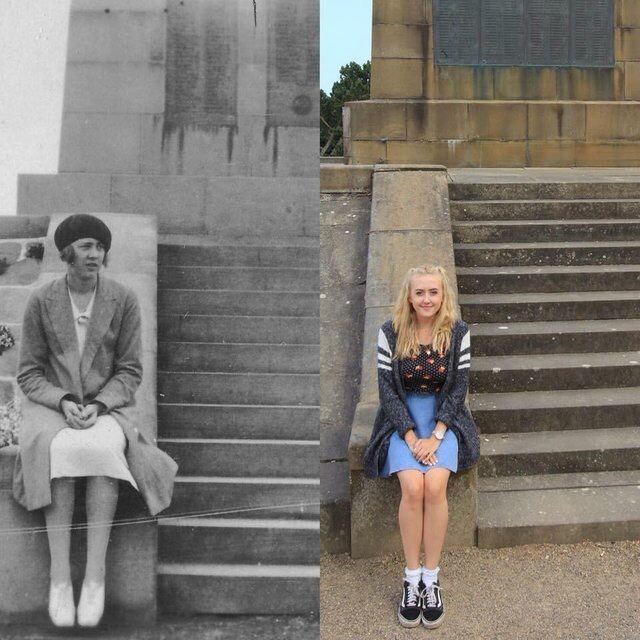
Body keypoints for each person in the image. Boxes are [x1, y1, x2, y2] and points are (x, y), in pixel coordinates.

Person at [13, 214, 178, 628]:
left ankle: (94, 578)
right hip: (53, 407)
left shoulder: (122, 299)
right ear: (67, 253)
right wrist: (64, 399)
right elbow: (29, 373)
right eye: (87, 246)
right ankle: (59, 580)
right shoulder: (41, 300)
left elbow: (130, 371)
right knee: (59, 448)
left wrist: (100, 405)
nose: (96, 255)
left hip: (108, 407)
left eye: (101, 248)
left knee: (103, 446)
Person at [362, 264, 480, 629]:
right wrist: (412, 437)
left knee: (434, 485)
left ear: (443, 295)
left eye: (433, 292)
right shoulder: (390, 332)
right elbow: (386, 392)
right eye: (419, 292)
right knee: (412, 486)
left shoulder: (459, 333)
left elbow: (459, 389)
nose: (426, 299)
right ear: (409, 297)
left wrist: (437, 435)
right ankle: (411, 579)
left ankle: (432, 578)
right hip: (401, 418)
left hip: (446, 419)